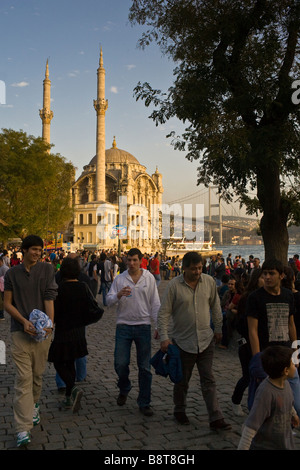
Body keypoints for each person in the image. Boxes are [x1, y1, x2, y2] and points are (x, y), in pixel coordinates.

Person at [157, 251, 231, 430]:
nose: (197, 272)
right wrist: (164, 337)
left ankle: (215, 417)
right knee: (182, 380)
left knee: (208, 379)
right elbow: (164, 312)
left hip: (206, 340)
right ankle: (179, 410)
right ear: (184, 269)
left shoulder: (209, 282)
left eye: (199, 268)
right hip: (183, 341)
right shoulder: (174, 286)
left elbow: (215, 306)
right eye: (193, 269)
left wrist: (219, 329)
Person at [4, 235, 58, 447]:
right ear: (24, 250)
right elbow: (7, 303)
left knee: (37, 375)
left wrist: (50, 324)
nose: (37, 253)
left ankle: (34, 405)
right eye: (33, 249)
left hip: (42, 333)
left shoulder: (46, 270)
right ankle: (22, 428)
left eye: (39, 250)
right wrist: (23, 321)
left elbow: (49, 298)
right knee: (23, 379)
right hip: (20, 332)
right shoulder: (11, 273)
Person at [106, 248, 160, 416]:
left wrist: (158, 325)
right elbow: (108, 301)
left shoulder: (149, 278)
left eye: (135, 260)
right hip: (123, 326)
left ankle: (144, 402)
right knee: (120, 363)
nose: (131, 263)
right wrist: (118, 295)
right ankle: (124, 386)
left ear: (141, 260)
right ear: (125, 260)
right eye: (129, 260)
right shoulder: (120, 278)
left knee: (144, 367)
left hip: (143, 326)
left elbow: (155, 303)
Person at [246, 258, 300, 414]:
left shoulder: (288, 296)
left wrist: (296, 354)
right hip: (266, 356)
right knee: (265, 405)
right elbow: (252, 330)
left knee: (296, 404)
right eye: (265, 274)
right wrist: (257, 358)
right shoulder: (255, 298)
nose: (267, 277)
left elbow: (291, 325)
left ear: (281, 275)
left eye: (272, 273)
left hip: (286, 355)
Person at [48, 257, 99, 413]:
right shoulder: (83, 287)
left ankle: (74, 389)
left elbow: (53, 313)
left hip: (63, 332)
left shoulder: (59, 289)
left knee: (58, 362)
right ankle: (69, 397)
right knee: (71, 364)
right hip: (78, 332)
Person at [237, 345, 299, 450]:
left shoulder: (286, 385)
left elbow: (287, 402)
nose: (296, 366)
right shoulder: (266, 392)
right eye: (293, 364)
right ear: (286, 371)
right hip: (266, 445)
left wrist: (293, 414)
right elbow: (251, 426)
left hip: (283, 443)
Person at [231, 268, 264, 416]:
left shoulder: (267, 297)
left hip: (262, 342)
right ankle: (236, 401)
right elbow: (241, 323)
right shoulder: (248, 298)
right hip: (246, 343)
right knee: (247, 376)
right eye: (263, 277)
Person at [0, 256, 9, 320]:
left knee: (2, 301)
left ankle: (2, 315)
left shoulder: (4, 268)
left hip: (3, 287)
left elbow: (6, 278)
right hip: (1, 287)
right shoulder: (1, 267)